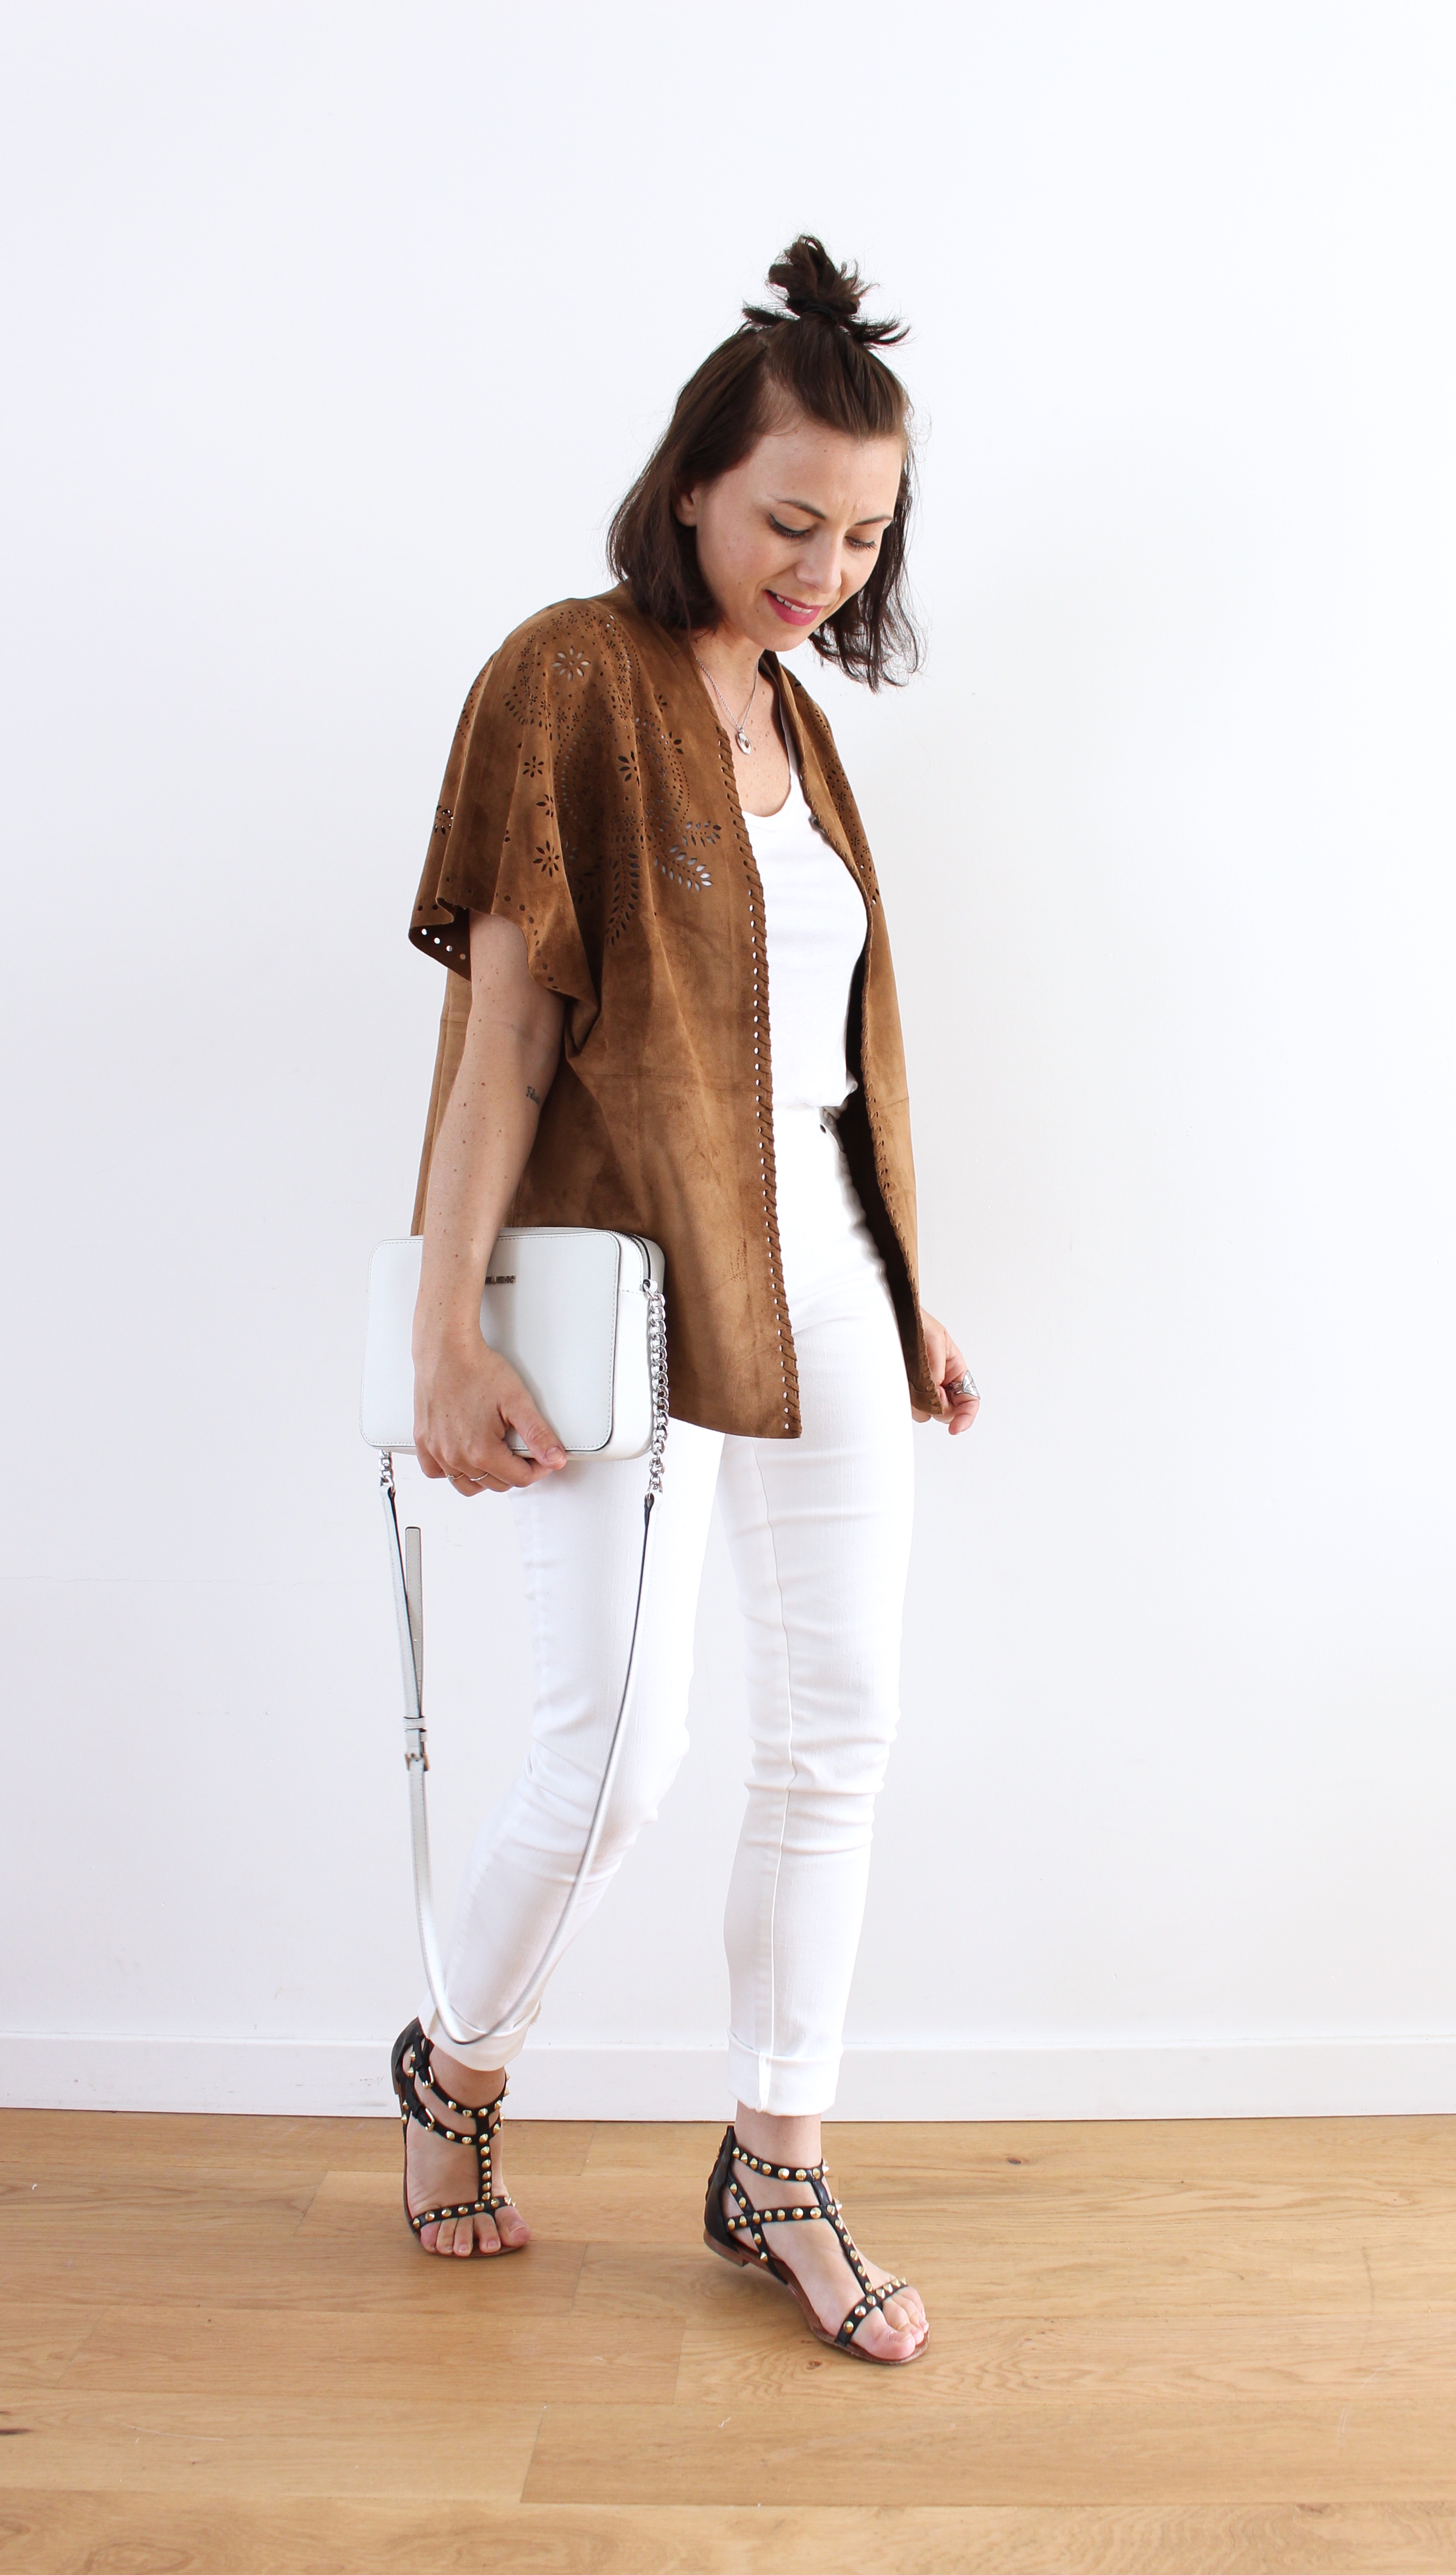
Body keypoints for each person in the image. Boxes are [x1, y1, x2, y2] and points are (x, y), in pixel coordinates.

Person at [388, 238, 977, 2367]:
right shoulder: (569, 675)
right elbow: (507, 1041)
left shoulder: (799, 725)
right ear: (696, 486)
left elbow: (830, 1059)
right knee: (614, 1759)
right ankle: (455, 2062)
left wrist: (906, 1291)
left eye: (864, 536)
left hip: (832, 1274)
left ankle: (776, 2161)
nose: (823, 569)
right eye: (789, 520)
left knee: (837, 1737)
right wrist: (447, 1326)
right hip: (617, 1275)